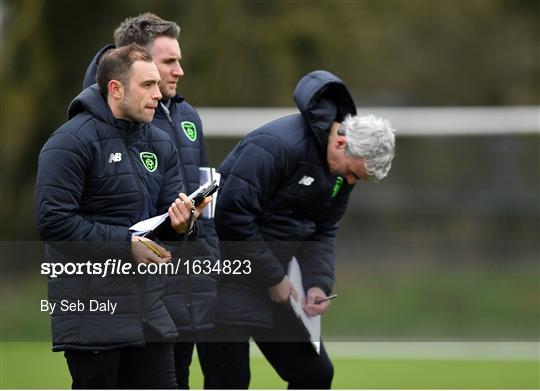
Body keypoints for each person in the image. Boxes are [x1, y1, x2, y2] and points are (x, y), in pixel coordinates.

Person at [198, 70, 396, 389]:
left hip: (274, 285)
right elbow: (231, 217)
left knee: (315, 373)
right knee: (229, 382)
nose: (350, 183)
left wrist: (318, 283)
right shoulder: (277, 145)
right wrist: (273, 276)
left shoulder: (341, 172)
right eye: (353, 174)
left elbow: (323, 230)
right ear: (341, 142)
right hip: (225, 279)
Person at [35, 44, 209, 389]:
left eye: (158, 84)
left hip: (151, 314)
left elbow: (166, 223)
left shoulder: (159, 143)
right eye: (147, 85)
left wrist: (182, 225)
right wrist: (126, 246)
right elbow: (53, 222)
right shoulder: (69, 142)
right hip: (93, 315)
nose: (158, 94)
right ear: (115, 89)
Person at [82, 13, 220, 389]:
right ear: (136, 63)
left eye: (178, 60)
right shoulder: (112, 123)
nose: (179, 70)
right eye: (168, 61)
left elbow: (202, 192)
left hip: (189, 279)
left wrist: (209, 256)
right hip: (140, 288)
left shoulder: (188, 115)